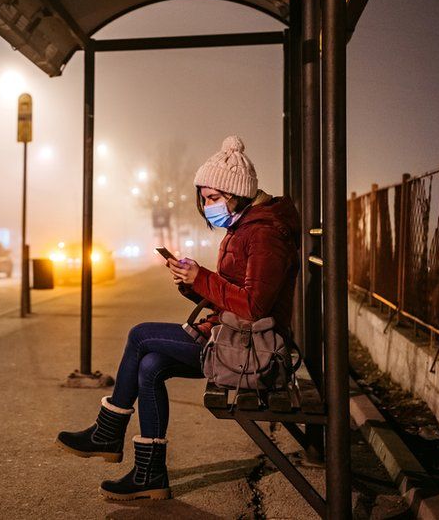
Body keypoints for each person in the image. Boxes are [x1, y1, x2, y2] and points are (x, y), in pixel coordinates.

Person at [55, 135, 301, 501]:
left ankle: (107, 432)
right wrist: (191, 283)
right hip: (232, 337)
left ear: (238, 195)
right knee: (151, 365)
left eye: (213, 198)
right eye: (204, 198)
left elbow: (253, 307)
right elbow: (232, 294)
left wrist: (201, 277)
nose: (207, 205)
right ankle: (149, 475)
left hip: (252, 350)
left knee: (140, 336)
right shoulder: (247, 227)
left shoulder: (263, 234)